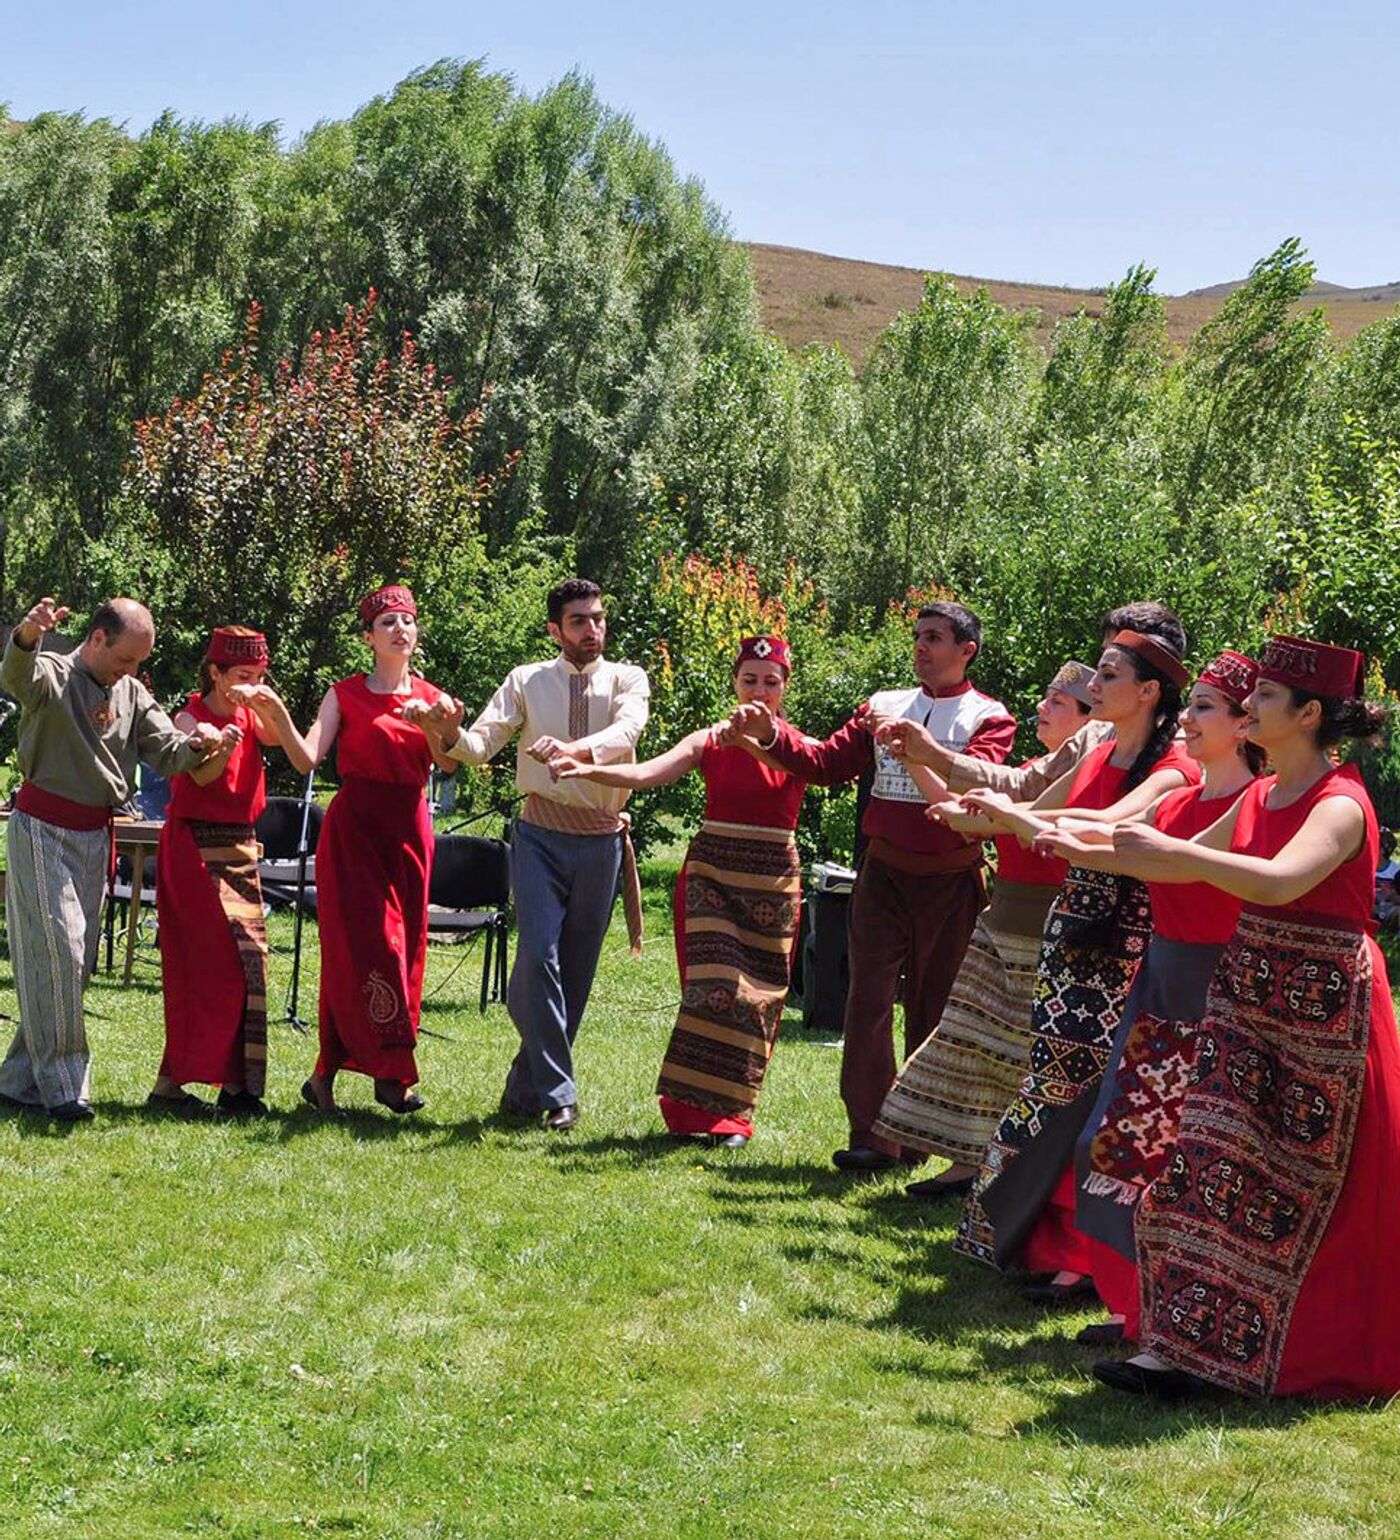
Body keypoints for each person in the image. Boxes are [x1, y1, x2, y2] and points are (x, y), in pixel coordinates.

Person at [1088, 636, 1400, 1400]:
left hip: (1325, 1016)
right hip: (1250, 994)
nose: (1249, 705)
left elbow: (1277, 881)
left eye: (1264, 697)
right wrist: (1072, 838)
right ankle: (1178, 1348)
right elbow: (1172, 858)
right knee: (1200, 1164)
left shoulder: (1342, 803)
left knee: (1296, 1188)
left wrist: (1175, 852)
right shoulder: (1261, 796)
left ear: (1310, 714)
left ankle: (1267, 1357)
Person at [939, 627, 1199, 1275]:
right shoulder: (1097, 750)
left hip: (1130, 940)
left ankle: (1084, 1254)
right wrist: (968, 810)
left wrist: (1015, 816)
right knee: (1053, 1083)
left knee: (1104, 1097)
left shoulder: (1175, 768)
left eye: (1108, 676)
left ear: (1147, 692)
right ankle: (1023, 1236)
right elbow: (1027, 815)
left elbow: (1113, 827)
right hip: (1071, 929)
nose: (1093, 686)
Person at [725, 601, 1016, 1172]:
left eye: (934, 638)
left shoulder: (989, 717)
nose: (921, 647)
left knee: (933, 1009)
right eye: (918, 636)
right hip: (882, 875)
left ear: (966, 651)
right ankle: (872, 1135)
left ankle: (918, 1135)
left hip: (950, 881)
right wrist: (771, 735)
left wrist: (917, 755)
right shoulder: (882, 706)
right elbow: (827, 763)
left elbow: (973, 797)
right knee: (866, 1003)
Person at [1035, 651, 1262, 1345]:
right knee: (1116, 1148)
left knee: (1193, 1163)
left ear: (1244, 725)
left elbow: (1151, 852)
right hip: (1160, 986)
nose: (1186, 721)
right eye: (1188, 706)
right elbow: (1121, 841)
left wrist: (1058, 833)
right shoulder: (1180, 798)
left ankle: (1173, 1315)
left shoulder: (1258, 800)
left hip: (1223, 995)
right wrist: (1034, 826)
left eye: (1203, 710)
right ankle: (1133, 1307)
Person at [409, 578, 650, 1131]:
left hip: (603, 838)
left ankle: (524, 1089)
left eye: (597, 618)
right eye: (578, 621)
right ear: (554, 630)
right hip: (540, 836)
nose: (592, 630)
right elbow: (480, 744)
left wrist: (574, 751)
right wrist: (442, 735)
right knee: (537, 960)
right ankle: (561, 1094)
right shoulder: (526, 680)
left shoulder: (628, 678)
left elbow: (627, 731)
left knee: (575, 975)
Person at [553, 636, 804, 1148]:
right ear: (735, 681)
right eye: (749, 679)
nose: (759, 690)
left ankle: (734, 1115)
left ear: (785, 687)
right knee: (712, 991)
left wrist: (762, 738)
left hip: (772, 881)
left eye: (770, 682)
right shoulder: (708, 740)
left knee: (755, 1003)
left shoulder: (797, 745)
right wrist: (587, 768)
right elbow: (647, 772)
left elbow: (800, 766)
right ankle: (692, 1113)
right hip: (711, 876)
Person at [870, 660, 1095, 1195]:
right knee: (970, 1040)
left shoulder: (1089, 774)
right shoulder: (1040, 769)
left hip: (1047, 925)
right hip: (1003, 917)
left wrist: (971, 801)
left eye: (1057, 702)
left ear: (1090, 719)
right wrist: (915, 758)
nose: (1041, 708)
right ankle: (966, 1163)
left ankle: (1004, 1172)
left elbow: (989, 818)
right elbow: (962, 813)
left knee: (1016, 1053)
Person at [0, 596, 226, 1121]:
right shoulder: (52, 673)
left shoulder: (132, 691)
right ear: (97, 639)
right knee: (64, 950)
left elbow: (168, 752)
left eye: (139, 662)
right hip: (42, 829)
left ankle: (16, 1082)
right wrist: (27, 635)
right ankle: (64, 1088)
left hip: (94, 835)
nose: (133, 670)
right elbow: (16, 677)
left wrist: (202, 743)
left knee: (63, 967)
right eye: (127, 658)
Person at [298, 585, 459, 1117]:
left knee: (406, 947)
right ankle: (378, 1072)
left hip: (408, 831)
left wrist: (443, 728)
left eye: (407, 621)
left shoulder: (434, 698)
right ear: (368, 637)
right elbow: (309, 754)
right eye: (387, 622)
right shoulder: (343, 694)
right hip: (354, 832)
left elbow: (449, 765)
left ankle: (364, 1076)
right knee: (363, 951)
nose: (400, 630)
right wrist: (273, 713)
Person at [149, 626, 315, 1118]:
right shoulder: (189, 717)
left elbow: (304, 759)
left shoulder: (253, 713)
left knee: (251, 965)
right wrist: (219, 746)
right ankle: (172, 1085)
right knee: (210, 968)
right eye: (243, 675)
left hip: (240, 847)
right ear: (216, 674)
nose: (251, 683)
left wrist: (273, 706)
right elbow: (199, 776)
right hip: (193, 847)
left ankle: (239, 1087)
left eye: (260, 674)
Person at [878, 602, 1186, 802]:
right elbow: (1027, 788)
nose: (1092, 683)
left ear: (1149, 686)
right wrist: (930, 756)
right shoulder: (1097, 740)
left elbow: (1110, 828)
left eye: (1110, 669)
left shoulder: (1185, 748)